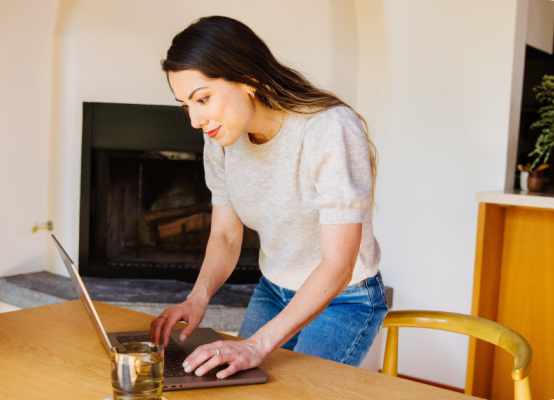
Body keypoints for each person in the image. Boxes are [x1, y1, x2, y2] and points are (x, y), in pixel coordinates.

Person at [149, 15, 388, 380]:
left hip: (345, 298)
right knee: (237, 386)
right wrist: (197, 298)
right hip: (273, 289)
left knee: (294, 391)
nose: (196, 119)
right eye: (186, 105)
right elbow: (226, 236)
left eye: (203, 99)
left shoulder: (328, 129)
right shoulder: (220, 139)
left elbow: (338, 264)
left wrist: (257, 345)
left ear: (249, 79)